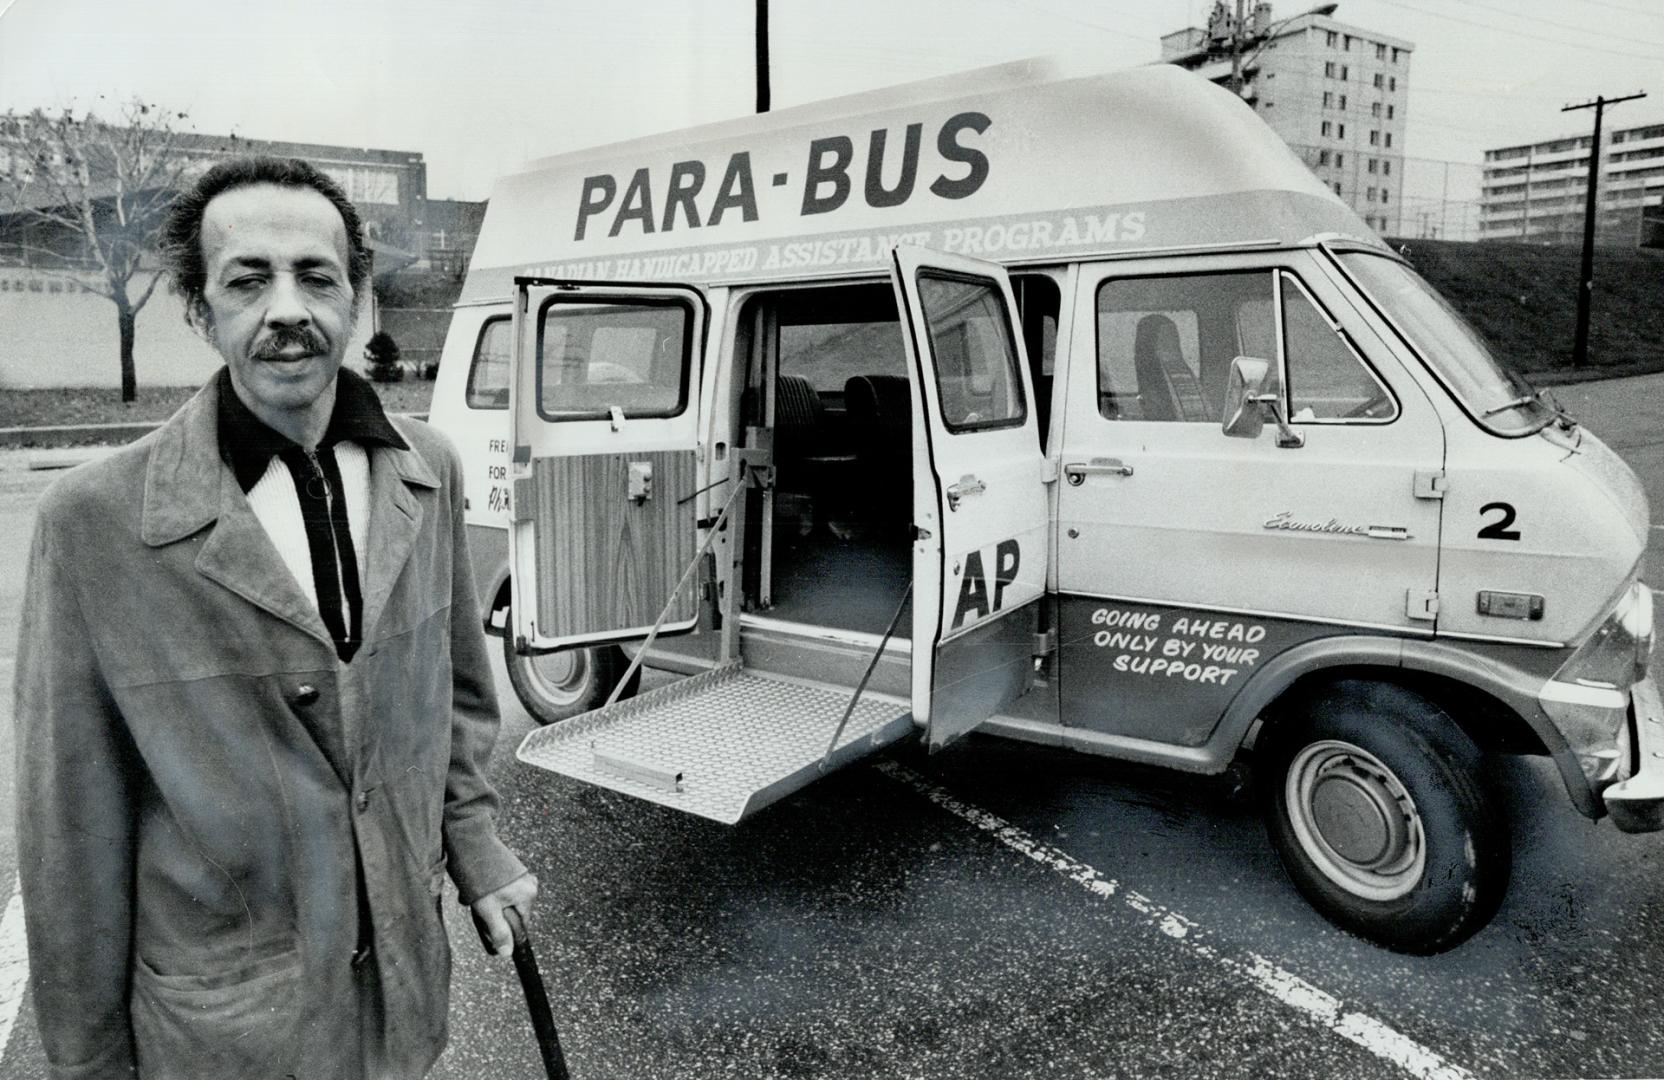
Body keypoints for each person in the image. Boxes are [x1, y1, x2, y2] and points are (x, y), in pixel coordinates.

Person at [15, 156, 538, 1080]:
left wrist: (479, 850)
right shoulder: (93, 521)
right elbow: (72, 829)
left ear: (354, 297)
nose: (288, 307)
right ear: (200, 309)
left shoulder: (430, 466)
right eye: (249, 279)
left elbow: (456, 698)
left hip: (401, 995)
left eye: (316, 276)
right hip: (228, 1029)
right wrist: (88, 1062)